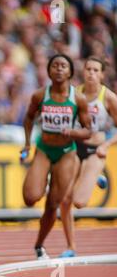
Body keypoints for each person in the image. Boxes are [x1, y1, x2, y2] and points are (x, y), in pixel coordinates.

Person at [21, 54, 92, 260]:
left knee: (53, 205)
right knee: (30, 197)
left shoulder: (78, 99)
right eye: (55, 66)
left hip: (66, 153)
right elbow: (28, 118)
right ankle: (42, 180)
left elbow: (88, 130)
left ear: (70, 72)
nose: (59, 69)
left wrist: (72, 132)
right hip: (44, 149)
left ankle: (39, 245)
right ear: (49, 71)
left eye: (63, 66)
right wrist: (27, 143)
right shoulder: (40, 95)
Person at [59, 56, 117, 258]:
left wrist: (106, 144)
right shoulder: (74, 94)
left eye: (95, 70)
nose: (91, 73)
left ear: (102, 75)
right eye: (88, 69)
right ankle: (70, 246)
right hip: (75, 148)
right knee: (64, 199)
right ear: (83, 72)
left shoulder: (108, 97)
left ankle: (94, 175)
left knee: (79, 202)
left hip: (96, 150)